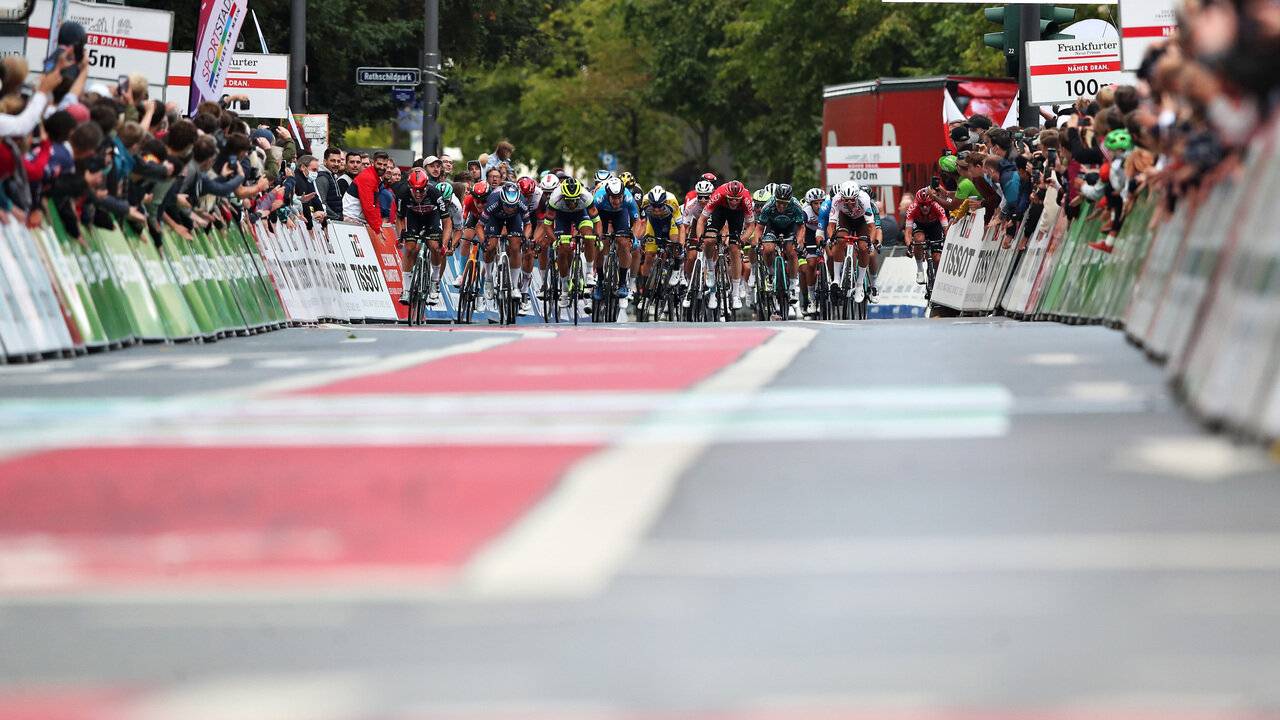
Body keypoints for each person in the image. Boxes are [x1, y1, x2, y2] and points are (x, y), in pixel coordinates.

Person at [694, 179, 754, 310]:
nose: (734, 202)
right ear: (726, 195)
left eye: (737, 199)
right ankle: (710, 269)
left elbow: (751, 226)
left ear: (741, 197)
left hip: (737, 215)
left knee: (735, 248)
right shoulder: (719, 194)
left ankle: (736, 294)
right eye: (731, 199)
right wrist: (700, 239)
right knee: (709, 240)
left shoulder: (746, 199)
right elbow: (702, 220)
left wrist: (743, 239)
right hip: (719, 210)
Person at [397, 167, 452, 306]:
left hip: (431, 217)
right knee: (410, 248)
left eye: (421, 190)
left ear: (427, 186)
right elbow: (400, 218)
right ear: (409, 187)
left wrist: (444, 244)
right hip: (413, 217)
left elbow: (447, 222)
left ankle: (434, 282)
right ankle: (406, 289)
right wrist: (400, 236)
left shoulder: (435, 193)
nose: (418, 194)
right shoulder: (403, 193)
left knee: (435, 246)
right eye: (415, 190)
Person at [543, 177, 601, 308]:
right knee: (563, 250)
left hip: (581, 214)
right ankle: (564, 288)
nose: (572, 203)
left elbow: (597, 220)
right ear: (563, 196)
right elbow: (547, 225)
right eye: (568, 200)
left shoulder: (586, 197)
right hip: (562, 217)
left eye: (574, 200)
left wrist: (598, 236)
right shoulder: (555, 199)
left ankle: (589, 274)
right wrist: (555, 241)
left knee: (589, 236)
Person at [476, 181, 533, 309]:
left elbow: (528, 224)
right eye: (507, 205)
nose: (510, 209)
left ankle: (515, 286)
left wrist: (525, 237)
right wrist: (483, 240)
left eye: (513, 206)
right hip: (495, 219)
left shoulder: (521, 203)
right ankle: (489, 278)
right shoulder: (493, 202)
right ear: (502, 200)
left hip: (514, 219)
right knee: (490, 246)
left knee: (515, 246)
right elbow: (479, 226)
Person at [820, 180, 875, 304]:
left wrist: (870, 242)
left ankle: (859, 285)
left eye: (852, 200)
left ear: (857, 197)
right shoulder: (837, 199)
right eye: (846, 200)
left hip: (861, 221)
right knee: (840, 240)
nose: (849, 203)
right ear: (842, 197)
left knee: (863, 247)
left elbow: (871, 226)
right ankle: (836, 279)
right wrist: (831, 238)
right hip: (845, 219)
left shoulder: (864, 199)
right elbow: (831, 225)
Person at [754, 183, 805, 316]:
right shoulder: (768, 206)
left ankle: (793, 285)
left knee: (792, 251)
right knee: (768, 249)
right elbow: (759, 228)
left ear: (790, 200)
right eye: (779, 203)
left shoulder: (796, 205)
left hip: (790, 228)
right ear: (775, 199)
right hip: (773, 228)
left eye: (785, 203)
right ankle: (771, 274)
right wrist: (758, 243)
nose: (781, 206)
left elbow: (801, 227)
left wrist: (799, 242)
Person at [591, 176, 643, 298]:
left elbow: (637, 220)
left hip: (620, 214)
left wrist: (634, 238)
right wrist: (595, 236)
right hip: (602, 215)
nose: (617, 201)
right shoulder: (599, 197)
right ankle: (599, 281)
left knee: (624, 243)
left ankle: (622, 283)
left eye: (619, 197)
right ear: (608, 195)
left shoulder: (628, 197)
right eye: (614, 198)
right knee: (600, 244)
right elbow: (591, 218)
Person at [638, 185, 682, 299]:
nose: (657, 209)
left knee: (674, 243)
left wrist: (680, 245)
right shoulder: (645, 202)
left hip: (670, 222)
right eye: (654, 206)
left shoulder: (672, 202)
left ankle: (676, 269)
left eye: (660, 206)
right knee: (649, 256)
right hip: (653, 223)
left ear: (665, 202)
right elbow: (642, 222)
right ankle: (645, 290)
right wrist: (639, 238)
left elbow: (681, 227)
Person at [905, 186, 950, 291]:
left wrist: (947, 242)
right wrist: (909, 246)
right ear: (917, 204)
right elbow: (908, 232)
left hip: (935, 226)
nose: (925, 207)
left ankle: (938, 279)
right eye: (922, 205)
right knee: (919, 240)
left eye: (927, 204)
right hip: (920, 226)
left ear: (932, 203)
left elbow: (946, 229)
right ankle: (920, 269)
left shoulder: (937, 207)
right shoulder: (912, 208)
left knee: (937, 258)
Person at [315, 147, 344, 220]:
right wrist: (337, 217)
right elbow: (322, 203)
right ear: (325, 161)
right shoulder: (322, 178)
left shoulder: (332, 176)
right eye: (333, 161)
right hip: (329, 222)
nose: (336, 164)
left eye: (338, 161)